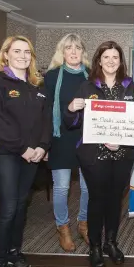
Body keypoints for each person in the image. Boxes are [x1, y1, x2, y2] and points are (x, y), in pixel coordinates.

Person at [63, 41, 134, 267]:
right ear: (99, 60)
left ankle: (111, 243)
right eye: (105, 57)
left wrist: (122, 142)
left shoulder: (130, 87)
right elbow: (72, 123)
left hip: (123, 154)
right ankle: (95, 247)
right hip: (93, 156)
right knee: (97, 200)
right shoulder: (87, 87)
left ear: (120, 61)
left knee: (115, 200)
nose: (110, 61)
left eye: (115, 57)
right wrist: (71, 109)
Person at [0, 35, 52, 267]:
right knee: (8, 208)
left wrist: (42, 146)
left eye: (27, 52)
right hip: (6, 154)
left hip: (32, 155)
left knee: (21, 206)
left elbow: (45, 119)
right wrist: (22, 148)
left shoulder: (37, 84)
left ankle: (14, 252)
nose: (23, 56)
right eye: (17, 51)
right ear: (6, 54)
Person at [44, 33, 91, 252]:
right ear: (61, 52)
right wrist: (43, 143)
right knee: (61, 188)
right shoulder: (52, 76)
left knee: (87, 187)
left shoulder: (91, 76)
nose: (73, 52)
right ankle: (62, 228)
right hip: (60, 138)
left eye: (77, 47)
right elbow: (45, 111)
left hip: (86, 138)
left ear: (83, 51)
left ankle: (84, 224)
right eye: (68, 48)